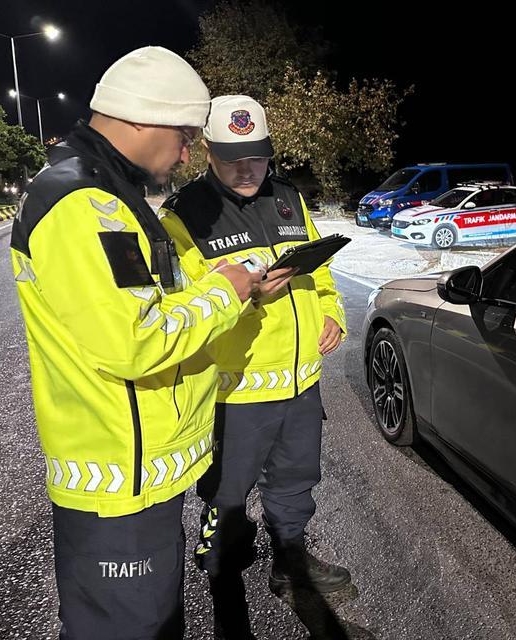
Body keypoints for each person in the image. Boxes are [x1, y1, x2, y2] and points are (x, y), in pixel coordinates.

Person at [9, 47, 267, 639]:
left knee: (151, 621)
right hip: (120, 476)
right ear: (144, 119)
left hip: (139, 469)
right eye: (181, 135)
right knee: (134, 628)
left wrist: (221, 281)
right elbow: (137, 339)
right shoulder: (84, 204)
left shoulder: (105, 192)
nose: (184, 153)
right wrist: (225, 294)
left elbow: (150, 297)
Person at [159, 95, 350, 638]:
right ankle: (225, 595)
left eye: (257, 156)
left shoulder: (290, 198)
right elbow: (181, 306)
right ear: (207, 154)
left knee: (295, 483)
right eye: (231, 156)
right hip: (234, 393)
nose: (246, 169)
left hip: (300, 382)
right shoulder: (184, 215)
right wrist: (246, 294)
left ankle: (291, 562)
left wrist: (332, 311)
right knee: (227, 499)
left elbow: (320, 272)